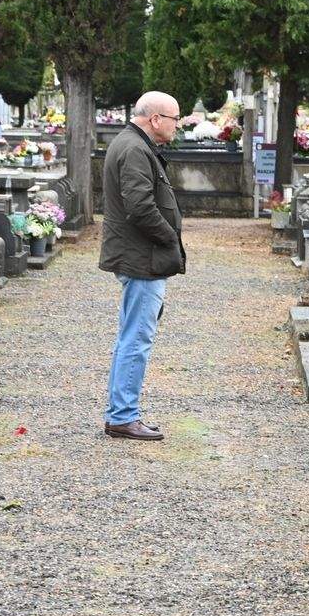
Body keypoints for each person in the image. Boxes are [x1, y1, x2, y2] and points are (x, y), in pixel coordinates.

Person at [98, 91, 188, 441]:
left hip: (139, 256)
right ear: (155, 119)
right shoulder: (135, 149)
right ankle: (122, 416)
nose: (176, 126)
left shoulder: (130, 143)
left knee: (129, 337)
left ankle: (121, 413)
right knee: (136, 339)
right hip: (142, 259)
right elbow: (140, 207)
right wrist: (169, 237)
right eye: (174, 119)